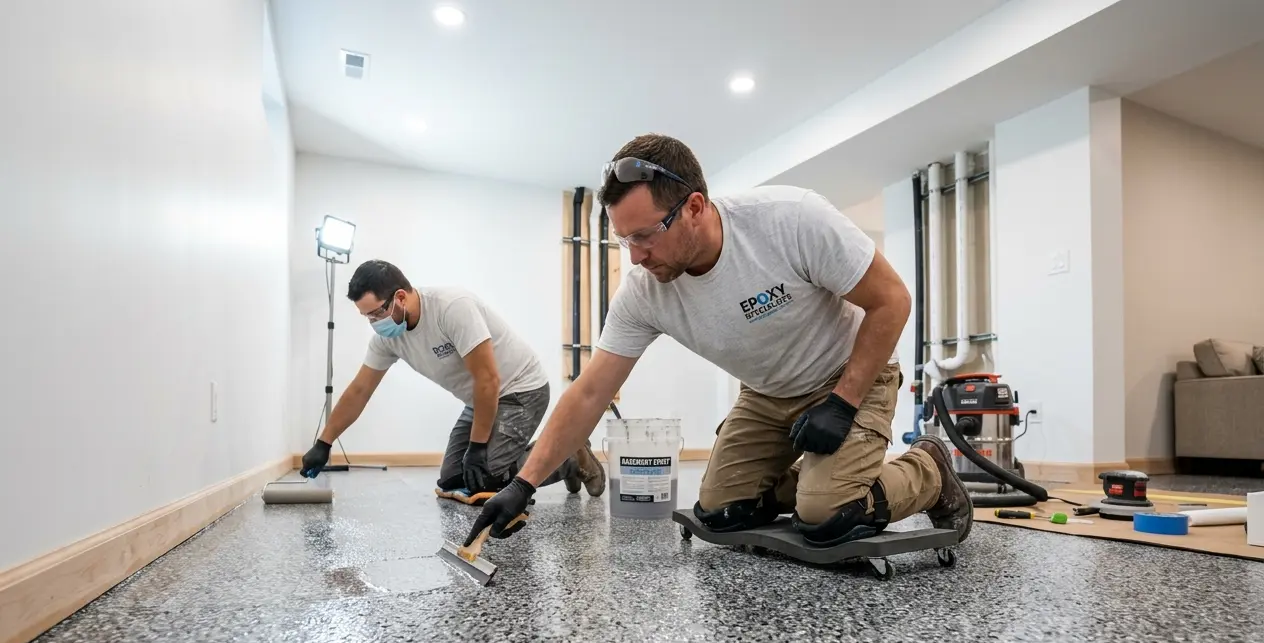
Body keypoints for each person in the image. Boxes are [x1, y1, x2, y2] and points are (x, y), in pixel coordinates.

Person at [463, 133, 971, 549]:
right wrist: (522, 484)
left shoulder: (790, 220)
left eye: (645, 235)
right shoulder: (644, 292)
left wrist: (844, 401)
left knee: (827, 516)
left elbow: (892, 300)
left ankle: (929, 468)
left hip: (849, 373)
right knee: (722, 512)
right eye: (625, 240)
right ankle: (825, 474)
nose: (635, 257)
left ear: (694, 207)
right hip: (767, 393)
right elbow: (591, 392)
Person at [299, 259, 606, 500]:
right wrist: (324, 443)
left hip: (521, 389)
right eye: (366, 317)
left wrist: (477, 447)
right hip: (481, 400)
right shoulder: (387, 339)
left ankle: (568, 456)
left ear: (400, 298)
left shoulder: (451, 308)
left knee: (487, 478)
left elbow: (488, 379)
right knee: (453, 480)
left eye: (376, 314)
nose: (373, 324)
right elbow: (359, 390)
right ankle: (555, 456)